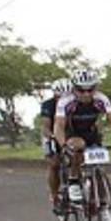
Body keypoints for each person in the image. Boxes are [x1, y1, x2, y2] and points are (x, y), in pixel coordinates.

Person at [52, 69, 111, 198]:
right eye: (81, 90)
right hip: (72, 133)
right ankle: (73, 181)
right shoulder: (66, 101)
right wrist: (64, 146)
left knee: (98, 170)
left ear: (96, 88)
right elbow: (59, 126)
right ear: (74, 89)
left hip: (91, 132)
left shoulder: (101, 99)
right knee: (78, 146)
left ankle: (104, 205)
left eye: (90, 90)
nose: (86, 94)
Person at [40, 78, 69, 213]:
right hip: (51, 134)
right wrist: (52, 136)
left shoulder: (74, 103)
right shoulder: (48, 105)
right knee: (54, 164)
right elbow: (45, 127)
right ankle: (54, 194)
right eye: (60, 97)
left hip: (69, 134)